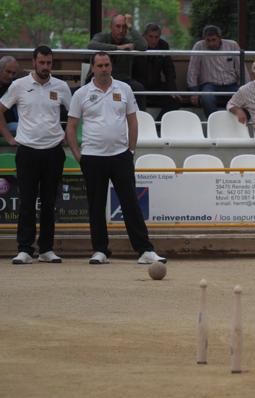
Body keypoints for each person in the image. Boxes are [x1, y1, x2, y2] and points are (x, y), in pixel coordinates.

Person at [65, 52, 166, 265]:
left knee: (131, 203)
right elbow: (71, 127)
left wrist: (131, 150)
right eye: (100, 65)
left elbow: (133, 121)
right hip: (92, 157)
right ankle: (100, 250)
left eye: (107, 65)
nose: (104, 69)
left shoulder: (124, 89)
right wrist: (78, 155)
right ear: (92, 68)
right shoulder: (81, 94)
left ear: (112, 66)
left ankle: (145, 250)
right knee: (96, 205)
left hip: (121, 156)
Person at [0, 46, 71, 265]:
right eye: (42, 62)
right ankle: (24, 249)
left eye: (49, 63)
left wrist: (67, 135)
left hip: (53, 151)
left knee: (49, 203)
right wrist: (9, 138)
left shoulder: (61, 86)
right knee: (27, 202)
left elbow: (76, 114)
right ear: (34, 62)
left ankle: (47, 249)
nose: (45, 67)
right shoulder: (18, 85)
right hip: (27, 151)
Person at [186, 25, 248, 118]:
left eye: (214, 40)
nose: (211, 43)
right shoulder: (199, 46)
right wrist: (194, 92)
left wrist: (247, 88)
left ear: (220, 38)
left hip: (231, 85)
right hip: (209, 86)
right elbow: (193, 70)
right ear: (204, 39)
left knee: (246, 99)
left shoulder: (232, 45)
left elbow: (241, 68)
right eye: (208, 40)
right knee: (207, 98)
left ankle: (237, 127)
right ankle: (214, 123)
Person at [87, 14, 147, 109]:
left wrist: (131, 28)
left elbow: (143, 46)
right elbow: (91, 45)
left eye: (124, 27)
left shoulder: (128, 41)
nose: (121, 30)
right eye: (118, 26)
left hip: (122, 79)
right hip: (99, 78)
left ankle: (141, 120)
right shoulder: (102, 36)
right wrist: (118, 48)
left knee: (139, 88)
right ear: (111, 27)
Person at [132, 23, 181, 121]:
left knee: (175, 100)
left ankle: (156, 126)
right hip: (138, 88)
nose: (153, 40)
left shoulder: (163, 45)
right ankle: (143, 126)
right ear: (144, 35)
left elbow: (169, 69)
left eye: (156, 37)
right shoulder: (136, 45)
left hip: (155, 86)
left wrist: (173, 90)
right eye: (150, 37)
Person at [0, 56, 20, 137]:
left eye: (13, 73)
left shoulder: (14, 84)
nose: (10, 76)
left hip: (16, 122)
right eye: (8, 72)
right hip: (5, 126)